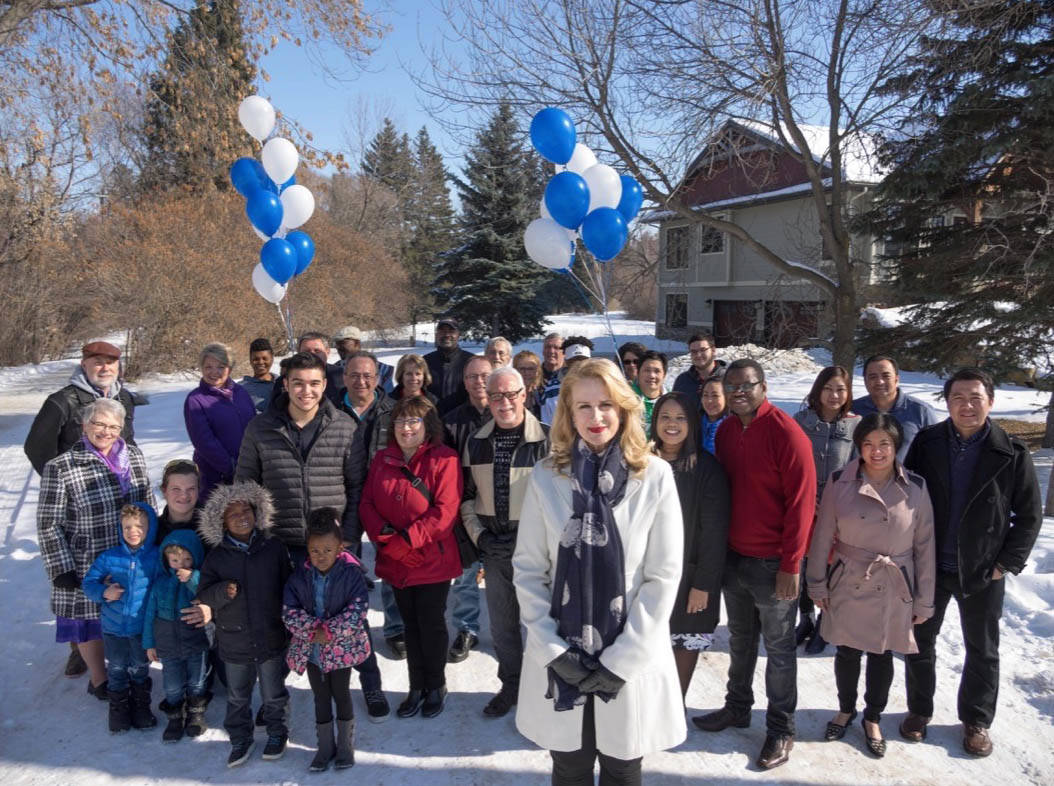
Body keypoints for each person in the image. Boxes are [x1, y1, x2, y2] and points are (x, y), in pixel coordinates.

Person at [513, 358, 686, 784]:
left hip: (629, 656)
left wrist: (621, 661)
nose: (596, 417)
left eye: (606, 404)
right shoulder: (545, 477)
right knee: (569, 765)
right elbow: (530, 571)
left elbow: (662, 578)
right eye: (583, 406)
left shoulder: (655, 476)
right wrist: (554, 651)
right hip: (562, 655)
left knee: (622, 765)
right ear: (568, 414)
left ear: (624, 409)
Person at [235, 351, 391, 722]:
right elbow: (245, 487)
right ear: (285, 383)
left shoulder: (342, 426)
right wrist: (256, 537)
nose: (307, 390)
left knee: (351, 621)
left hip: (332, 545)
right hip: (281, 543)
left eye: (315, 383)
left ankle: (370, 683)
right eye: (299, 382)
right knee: (287, 620)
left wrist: (348, 537)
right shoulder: (261, 428)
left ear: (326, 385)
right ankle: (278, 693)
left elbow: (356, 487)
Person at [900, 368, 1043, 757]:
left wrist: (1005, 563)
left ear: (990, 402)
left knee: (981, 648)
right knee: (919, 642)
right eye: (958, 398)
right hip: (929, 566)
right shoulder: (928, 444)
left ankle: (976, 720)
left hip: (981, 570)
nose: (967, 405)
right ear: (947, 403)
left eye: (975, 397)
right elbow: (907, 499)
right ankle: (919, 710)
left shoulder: (1010, 453)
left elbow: (1029, 515)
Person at [693, 359, 816, 771]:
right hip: (735, 557)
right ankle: (737, 706)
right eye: (732, 386)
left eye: (748, 385)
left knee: (779, 650)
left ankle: (781, 728)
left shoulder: (787, 433)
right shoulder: (727, 430)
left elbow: (802, 506)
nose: (739, 392)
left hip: (772, 563)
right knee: (741, 640)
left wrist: (791, 564)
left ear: (764, 386)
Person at [806, 414, 936, 758]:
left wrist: (925, 601)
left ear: (896, 447)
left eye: (884, 444)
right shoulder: (839, 480)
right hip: (849, 577)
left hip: (894, 582)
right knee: (847, 651)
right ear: (858, 447)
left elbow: (925, 548)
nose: (876, 451)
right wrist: (817, 583)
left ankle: (873, 717)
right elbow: (822, 537)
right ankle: (845, 709)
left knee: (882, 653)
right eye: (868, 444)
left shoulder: (917, 487)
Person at [37, 398, 155, 699]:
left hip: (129, 552)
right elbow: (49, 522)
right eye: (99, 424)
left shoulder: (134, 456)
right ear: (84, 424)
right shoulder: (61, 467)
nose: (106, 431)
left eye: (114, 426)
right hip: (87, 558)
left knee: (126, 614)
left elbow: (147, 503)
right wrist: (61, 567)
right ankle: (100, 679)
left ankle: (128, 669)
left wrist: (152, 541)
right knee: (89, 620)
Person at [360, 396, 463, 719]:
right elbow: (367, 505)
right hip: (396, 560)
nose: (406, 428)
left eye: (414, 421)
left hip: (432, 560)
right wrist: (390, 541)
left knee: (430, 625)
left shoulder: (444, 459)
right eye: (401, 421)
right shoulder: (382, 459)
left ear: (427, 425)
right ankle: (416, 686)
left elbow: (445, 513)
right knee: (409, 626)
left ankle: (436, 685)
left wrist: (408, 542)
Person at [460, 366, 550, 717]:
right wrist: (481, 538)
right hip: (495, 550)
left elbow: (559, 502)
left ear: (524, 394)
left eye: (510, 394)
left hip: (538, 553)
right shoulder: (477, 441)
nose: (503, 402)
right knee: (502, 625)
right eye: (495, 395)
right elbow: (467, 499)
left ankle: (545, 691)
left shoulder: (547, 440)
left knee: (544, 624)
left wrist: (528, 538)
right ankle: (512, 685)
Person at [195, 481, 292, 767]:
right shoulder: (217, 556)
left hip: (270, 636)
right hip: (234, 639)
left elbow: (288, 585)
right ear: (222, 522)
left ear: (257, 512)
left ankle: (277, 732)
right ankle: (240, 738)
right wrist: (221, 592)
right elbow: (204, 594)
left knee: (274, 694)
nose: (241, 516)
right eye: (233, 513)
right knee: (238, 696)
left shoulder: (273, 547)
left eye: (246, 509)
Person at [649, 392, 730, 698]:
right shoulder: (641, 462)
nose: (672, 424)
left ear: (692, 423)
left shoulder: (707, 469)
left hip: (689, 576)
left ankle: (674, 707)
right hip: (646, 574)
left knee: (684, 642)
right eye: (665, 417)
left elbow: (714, 532)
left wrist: (703, 584)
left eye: (681, 418)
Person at [283, 509, 372, 772]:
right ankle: (325, 747)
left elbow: (358, 610)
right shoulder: (299, 576)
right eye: (315, 551)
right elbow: (289, 609)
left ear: (340, 547)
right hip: (312, 651)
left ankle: (345, 746)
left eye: (328, 550)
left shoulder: (351, 575)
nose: (321, 556)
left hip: (341, 650)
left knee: (341, 695)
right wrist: (312, 630)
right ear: (307, 550)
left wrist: (331, 631)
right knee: (320, 697)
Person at [339, 351, 405, 659]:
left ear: (378, 379)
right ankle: (351, 628)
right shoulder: (331, 410)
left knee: (390, 565)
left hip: (384, 500)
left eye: (367, 375)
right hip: (344, 499)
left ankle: (395, 628)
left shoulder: (393, 411)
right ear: (343, 377)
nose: (361, 381)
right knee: (345, 567)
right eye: (354, 374)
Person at [792, 366, 861, 654]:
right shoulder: (801, 421)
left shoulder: (856, 426)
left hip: (839, 511)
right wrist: (806, 497)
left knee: (830, 567)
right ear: (818, 390)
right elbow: (791, 463)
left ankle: (824, 620)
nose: (834, 395)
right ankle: (805, 618)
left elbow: (860, 468)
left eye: (841, 390)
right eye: (829, 388)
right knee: (806, 565)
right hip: (806, 507)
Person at [82, 502, 161, 733]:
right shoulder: (110, 557)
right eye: (127, 527)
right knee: (116, 669)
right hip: (113, 628)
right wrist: (104, 593)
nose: (132, 531)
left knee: (139, 668)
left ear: (150, 528)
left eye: (139, 526)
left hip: (141, 628)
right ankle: (118, 712)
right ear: (120, 529)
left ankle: (141, 708)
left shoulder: (156, 557)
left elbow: (164, 585)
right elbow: (89, 583)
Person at [24, 340, 145, 476]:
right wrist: (60, 479)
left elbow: (127, 439)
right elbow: (37, 448)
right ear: (84, 365)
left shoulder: (123, 398)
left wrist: (135, 472)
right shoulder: (62, 401)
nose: (105, 368)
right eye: (98, 363)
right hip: (79, 486)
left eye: (110, 363)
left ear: (118, 366)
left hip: (119, 481)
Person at [441, 355, 494, 663]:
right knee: (465, 575)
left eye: (484, 375)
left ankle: (508, 632)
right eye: (472, 377)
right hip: (466, 506)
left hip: (503, 509)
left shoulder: (507, 416)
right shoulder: (451, 420)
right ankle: (466, 628)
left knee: (506, 578)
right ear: (465, 382)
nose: (479, 382)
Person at [143, 528, 211, 742]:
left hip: (195, 641)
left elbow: (203, 591)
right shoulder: (160, 584)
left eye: (187, 559)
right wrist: (149, 644)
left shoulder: (198, 579)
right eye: (174, 560)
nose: (180, 564)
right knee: (172, 685)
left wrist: (191, 578)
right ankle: (174, 717)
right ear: (166, 560)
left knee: (197, 681)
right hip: (168, 643)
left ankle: (195, 715)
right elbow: (149, 615)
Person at [184, 343, 257, 500]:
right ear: (201, 368)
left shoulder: (241, 393)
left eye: (220, 366)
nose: (214, 372)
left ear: (229, 369)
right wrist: (231, 467)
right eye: (208, 367)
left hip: (249, 470)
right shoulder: (195, 400)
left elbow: (254, 426)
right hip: (217, 478)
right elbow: (204, 441)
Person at [851, 355, 939, 462]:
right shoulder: (853, 410)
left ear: (896, 379)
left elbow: (936, 454)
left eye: (886, 376)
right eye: (873, 377)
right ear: (865, 381)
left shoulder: (921, 412)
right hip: (859, 478)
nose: (880, 381)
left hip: (907, 477)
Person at [269, 332, 345, 407]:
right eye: (306, 351)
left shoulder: (341, 376)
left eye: (317, 351)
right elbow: (275, 410)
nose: (312, 354)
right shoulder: (285, 380)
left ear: (327, 352)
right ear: (298, 353)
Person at [424, 317, 475, 415]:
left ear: (458, 334)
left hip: (463, 421)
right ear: (436, 334)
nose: (446, 335)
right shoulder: (425, 361)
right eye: (442, 331)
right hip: (431, 420)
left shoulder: (471, 361)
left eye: (451, 331)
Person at [539, 336, 594, 425]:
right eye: (574, 360)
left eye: (583, 360)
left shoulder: (601, 386)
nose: (579, 364)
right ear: (567, 362)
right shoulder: (551, 390)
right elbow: (547, 425)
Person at [673, 333, 726, 412]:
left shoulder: (727, 378)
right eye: (694, 351)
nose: (698, 355)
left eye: (703, 350)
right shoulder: (682, 381)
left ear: (713, 350)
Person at [334, 325, 395, 393]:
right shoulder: (334, 369)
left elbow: (388, 396)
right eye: (337, 344)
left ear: (357, 344)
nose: (339, 347)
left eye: (343, 343)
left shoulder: (382, 369)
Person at [155, 460, 201, 545]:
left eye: (191, 489)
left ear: (199, 490)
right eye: (176, 489)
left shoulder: (213, 531)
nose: (184, 495)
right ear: (164, 491)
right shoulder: (152, 532)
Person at [632, 350, 667, 434]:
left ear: (664, 375)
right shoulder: (625, 398)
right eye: (647, 370)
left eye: (657, 371)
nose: (652, 375)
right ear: (638, 373)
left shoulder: (671, 401)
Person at [240, 338, 275, 413]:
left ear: (272, 358)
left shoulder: (283, 382)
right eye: (256, 359)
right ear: (250, 360)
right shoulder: (241, 389)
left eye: (265, 358)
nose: (261, 362)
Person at [699, 376, 727, 455]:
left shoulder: (733, 428)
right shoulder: (694, 424)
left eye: (715, 396)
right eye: (705, 395)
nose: (709, 400)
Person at [513, 349, 544, 418]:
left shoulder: (543, 395)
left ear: (537, 371)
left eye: (531, 369)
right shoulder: (508, 396)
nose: (526, 373)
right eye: (522, 369)